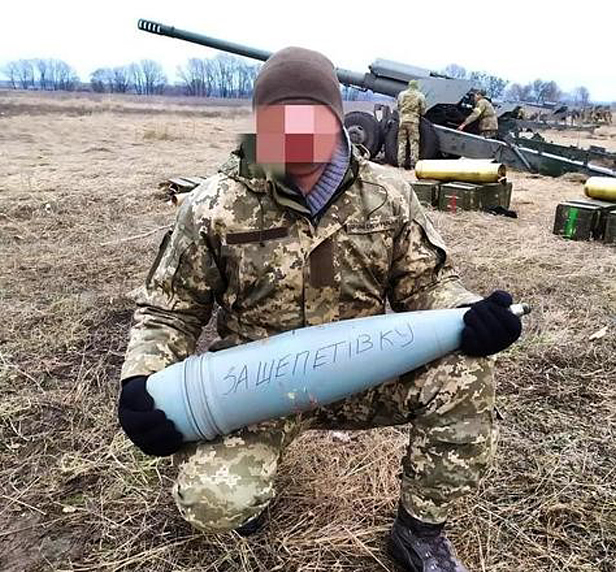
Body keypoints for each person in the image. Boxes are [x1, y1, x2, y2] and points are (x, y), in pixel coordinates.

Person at [118, 46, 522, 572]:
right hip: (256, 385)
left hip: (365, 370)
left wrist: (470, 315)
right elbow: (169, 311)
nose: (298, 134)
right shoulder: (215, 203)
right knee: (213, 503)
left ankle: (419, 532)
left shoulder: (388, 195)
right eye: (280, 121)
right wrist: (141, 380)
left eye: (313, 119)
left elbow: (429, 284)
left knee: (466, 373)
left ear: (338, 118)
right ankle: (252, 488)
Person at [396, 79, 427, 169]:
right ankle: (413, 165)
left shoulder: (402, 94)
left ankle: (400, 165)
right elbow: (423, 110)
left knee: (402, 143)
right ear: (417, 86)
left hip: (403, 121)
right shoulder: (420, 96)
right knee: (414, 143)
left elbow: (398, 106)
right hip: (413, 122)